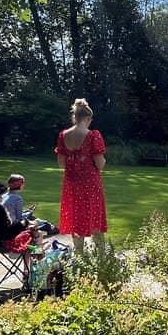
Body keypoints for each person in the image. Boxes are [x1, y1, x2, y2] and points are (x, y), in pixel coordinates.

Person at [55, 98, 107, 254]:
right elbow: (100, 164)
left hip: (72, 184)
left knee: (76, 218)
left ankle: (79, 254)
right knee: (95, 216)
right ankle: (101, 254)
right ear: (88, 118)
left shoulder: (63, 135)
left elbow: (61, 163)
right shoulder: (93, 135)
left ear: (74, 117)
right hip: (90, 183)